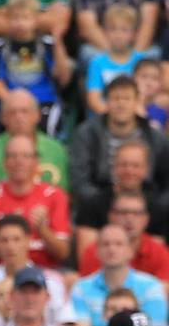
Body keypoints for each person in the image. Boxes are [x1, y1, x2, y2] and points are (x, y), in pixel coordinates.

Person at [70, 76, 169, 238]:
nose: (121, 104)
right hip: (101, 203)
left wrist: (156, 205)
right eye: (116, 98)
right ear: (106, 101)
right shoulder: (86, 133)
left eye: (127, 98)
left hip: (147, 204)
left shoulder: (156, 138)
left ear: (137, 101)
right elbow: (79, 180)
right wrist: (106, 202)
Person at [0, 134, 71, 268]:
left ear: (36, 162)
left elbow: (63, 253)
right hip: (0, 271)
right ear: (4, 162)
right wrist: (9, 233)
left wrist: (42, 229)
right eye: (13, 156)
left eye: (26, 156)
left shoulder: (55, 195)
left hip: (44, 273)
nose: (19, 161)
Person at [0, 214, 76, 326]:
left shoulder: (53, 281)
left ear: (28, 241)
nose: (10, 246)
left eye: (16, 239)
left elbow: (66, 323)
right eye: (4, 240)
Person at [0, 0, 74, 136]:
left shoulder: (48, 45)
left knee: (47, 129)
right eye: (15, 18)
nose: (20, 23)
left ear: (36, 20)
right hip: (9, 100)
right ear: (7, 20)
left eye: (26, 18)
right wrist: (15, 103)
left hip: (43, 100)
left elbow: (64, 78)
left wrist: (57, 40)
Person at [71, 224, 167, 326]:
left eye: (119, 244)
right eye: (106, 244)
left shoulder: (151, 286)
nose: (112, 249)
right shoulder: (81, 288)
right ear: (96, 251)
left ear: (130, 251)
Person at [74, 140, 169, 247]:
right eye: (123, 165)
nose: (129, 170)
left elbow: (159, 258)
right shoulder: (92, 206)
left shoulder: (158, 210)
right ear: (114, 168)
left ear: (146, 170)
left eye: (136, 165)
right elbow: (86, 256)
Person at [0, 89, 68, 192]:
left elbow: (62, 192)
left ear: (37, 115)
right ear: (3, 118)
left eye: (25, 111)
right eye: (12, 112)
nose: (19, 117)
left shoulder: (56, 149)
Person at [77, 191, 169, 280]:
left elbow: (165, 288)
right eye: (123, 213)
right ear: (111, 216)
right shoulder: (95, 251)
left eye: (136, 213)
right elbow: (88, 288)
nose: (129, 219)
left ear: (146, 219)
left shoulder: (159, 253)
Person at [85, 5, 150, 115]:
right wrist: (116, 116)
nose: (118, 35)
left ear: (134, 34)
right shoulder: (97, 63)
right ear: (105, 32)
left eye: (124, 30)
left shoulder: (142, 61)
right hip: (105, 119)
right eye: (113, 29)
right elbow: (94, 100)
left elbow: (146, 95)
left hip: (134, 118)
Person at [0, 0, 72, 39]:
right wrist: (41, 15)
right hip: (2, 51)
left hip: (46, 51)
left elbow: (59, 23)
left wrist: (7, 14)